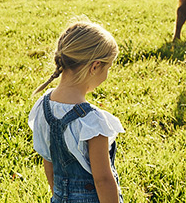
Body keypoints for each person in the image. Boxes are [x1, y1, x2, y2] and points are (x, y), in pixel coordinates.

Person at [28, 18, 125, 202]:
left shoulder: (43, 106)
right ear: (95, 66)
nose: (106, 75)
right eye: (108, 68)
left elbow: (48, 163)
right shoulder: (92, 121)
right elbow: (103, 180)